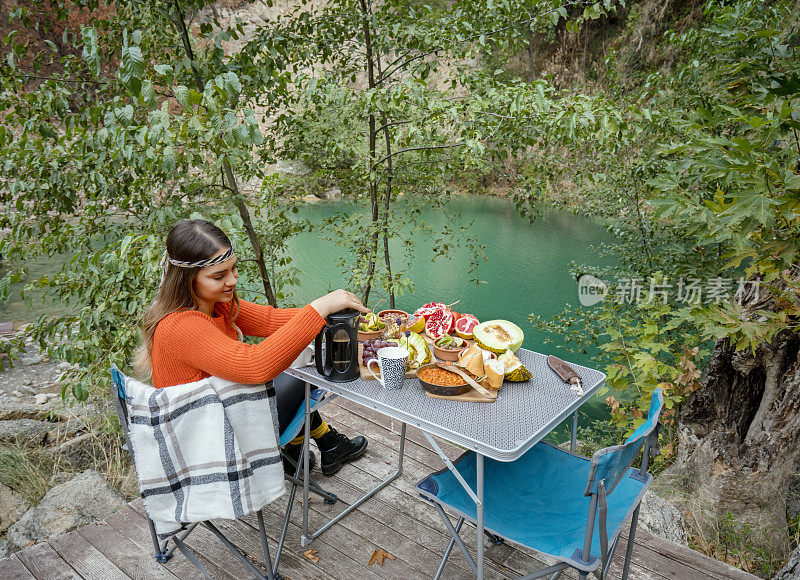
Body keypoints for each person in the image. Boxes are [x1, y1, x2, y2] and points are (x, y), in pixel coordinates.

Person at [134, 219, 369, 476]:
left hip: (219, 414)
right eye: (218, 276)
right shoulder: (182, 326)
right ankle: (321, 443)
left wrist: (336, 316)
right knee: (307, 374)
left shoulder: (213, 304)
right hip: (209, 443)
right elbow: (255, 366)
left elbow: (270, 320)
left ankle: (311, 448)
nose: (232, 280)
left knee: (296, 360)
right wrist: (319, 308)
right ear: (187, 279)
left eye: (233, 269)